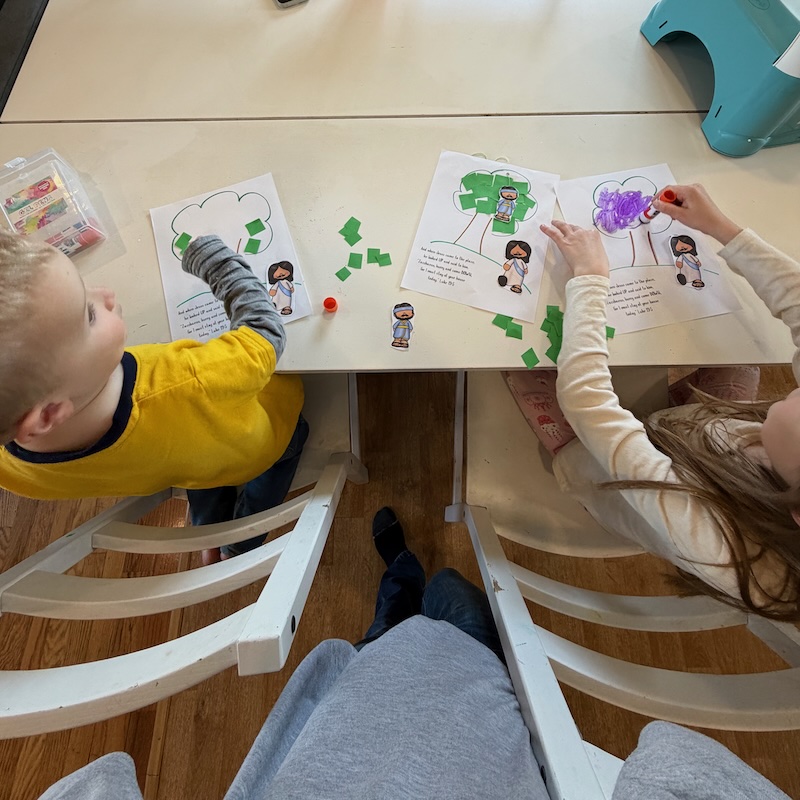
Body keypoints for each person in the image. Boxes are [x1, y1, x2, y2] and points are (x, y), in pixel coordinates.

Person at [36, 508, 791, 800]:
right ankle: (405, 581)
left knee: (400, 619)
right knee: (449, 606)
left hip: (357, 710)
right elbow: (669, 759)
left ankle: (400, 577)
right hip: (447, 687)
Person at [506, 184, 800, 620]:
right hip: (698, 432)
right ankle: (665, 418)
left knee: (520, 369)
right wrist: (722, 228)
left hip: (617, 479)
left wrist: (589, 278)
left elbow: (587, 400)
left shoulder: (720, 543)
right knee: (744, 361)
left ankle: (565, 456)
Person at [0, 232, 307, 562]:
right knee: (288, 444)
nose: (105, 295)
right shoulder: (185, 380)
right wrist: (221, 267)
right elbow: (264, 333)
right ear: (47, 414)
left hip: (179, 462)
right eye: (88, 315)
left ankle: (209, 530)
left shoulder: (9, 466)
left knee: (200, 470)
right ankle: (240, 542)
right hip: (250, 446)